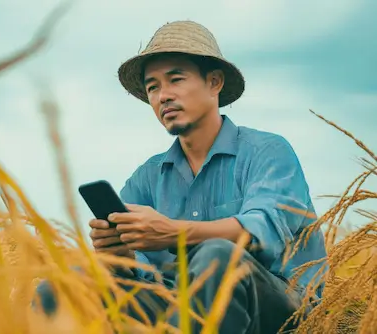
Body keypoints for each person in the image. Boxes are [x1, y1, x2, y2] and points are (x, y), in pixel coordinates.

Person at [36, 20, 328, 333]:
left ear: (214, 82)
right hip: (181, 308)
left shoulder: (268, 151)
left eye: (175, 79)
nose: (163, 96)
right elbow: (143, 270)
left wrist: (173, 232)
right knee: (69, 280)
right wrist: (122, 255)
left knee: (218, 255)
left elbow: (265, 230)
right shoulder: (147, 177)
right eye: (153, 87)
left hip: (282, 306)